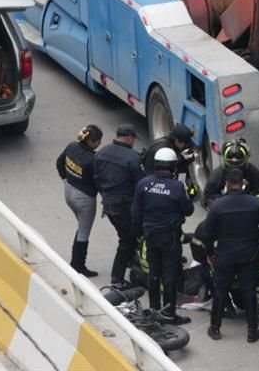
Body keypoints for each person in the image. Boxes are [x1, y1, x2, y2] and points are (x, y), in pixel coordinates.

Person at [196, 168, 259, 343]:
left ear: (226, 184)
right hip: (250, 255)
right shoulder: (256, 204)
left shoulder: (217, 206)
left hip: (225, 255)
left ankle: (215, 329)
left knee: (220, 291)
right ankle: (252, 332)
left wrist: (209, 253)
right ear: (243, 183)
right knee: (249, 292)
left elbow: (207, 233)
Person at [131, 147, 194, 324]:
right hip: (170, 238)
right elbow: (188, 211)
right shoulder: (177, 187)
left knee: (154, 273)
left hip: (150, 235)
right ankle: (168, 313)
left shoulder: (144, 184)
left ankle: (154, 310)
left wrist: (137, 234)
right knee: (170, 275)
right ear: (173, 166)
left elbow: (136, 212)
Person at [94, 123, 144, 286]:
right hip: (124, 206)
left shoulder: (101, 152)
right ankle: (117, 278)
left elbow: (96, 178)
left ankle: (131, 260)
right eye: (134, 139)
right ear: (129, 138)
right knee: (127, 240)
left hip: (108, 205)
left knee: (125, 236)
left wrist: (105, 195)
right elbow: (139, 184)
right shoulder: (133, 157)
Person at [56, 124, 103, 277]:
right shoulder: (92, 160)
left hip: (68, 192)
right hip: (84, 199)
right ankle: (78, 265)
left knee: (81, 226)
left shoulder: (71, 147)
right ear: (91, 142)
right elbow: (98, 182)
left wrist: (64, 177)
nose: (99, 144)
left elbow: (59, 162)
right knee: (84, 232)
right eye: (98, 141)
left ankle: (76, 262)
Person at [203, 139, 259, 206]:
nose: (235, 169)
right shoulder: (216, 177)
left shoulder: (254, 174)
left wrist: (247, 200)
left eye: (239, 164)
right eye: (231, 164)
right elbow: (208, 198)